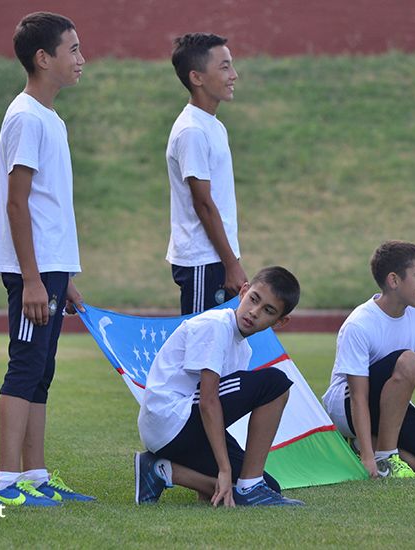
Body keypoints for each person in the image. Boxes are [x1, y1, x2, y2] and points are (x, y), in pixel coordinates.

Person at [0, 11, 94, 506]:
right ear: (43, 58)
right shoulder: (26, 116)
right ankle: (6, 482)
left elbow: (48, 206)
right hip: (33, 271)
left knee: (42, 370)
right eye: (72, 50)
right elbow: (16, 201)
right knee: (24, 366)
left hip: (49, 269)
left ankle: (37, 475)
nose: (81, 59)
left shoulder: (49, 117)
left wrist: (62, 274)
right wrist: (30, 277)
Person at [134, 266, 304, 506]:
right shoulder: (216, 325)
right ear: (243, 292)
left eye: (268, 310)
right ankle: (249, 487)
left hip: (182, 431)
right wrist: (223, 468)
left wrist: (224, 471)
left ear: (280, 321)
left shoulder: (244, 349)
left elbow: (220, 407)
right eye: (254, 299)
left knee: (267, 485)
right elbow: (209, 401)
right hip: (170, 420)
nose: (254, 312)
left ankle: (160, 470)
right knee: (275, 382)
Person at [322, 241, 415, 478]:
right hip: (348, 406)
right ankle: (382, 457)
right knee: (409, 361)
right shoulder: (359, 324)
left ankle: (360, 446)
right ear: (394, 280)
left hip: (391, 406)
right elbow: (358, 396)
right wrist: (370, 458)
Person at [165, 33, 247, 315]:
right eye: (224, 67)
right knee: (200, 353)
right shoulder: (192, 131)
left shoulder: (213, 125)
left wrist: (231, 258)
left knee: (219, 350)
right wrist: (231, 264)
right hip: (203, 261)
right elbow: (203, 203)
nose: (233, 75)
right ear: (197, 78)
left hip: (216, 259)